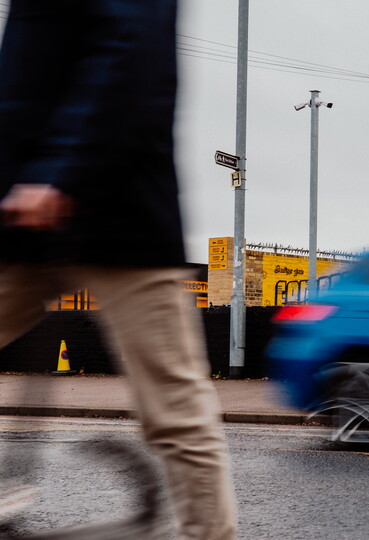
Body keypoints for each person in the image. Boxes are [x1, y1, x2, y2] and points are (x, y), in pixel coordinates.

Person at [0, 1, 237, 538]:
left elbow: (131, 49)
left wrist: (61, 173)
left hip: (117, 211)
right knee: (178, 406)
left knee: (175, 410)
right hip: (24, 207)